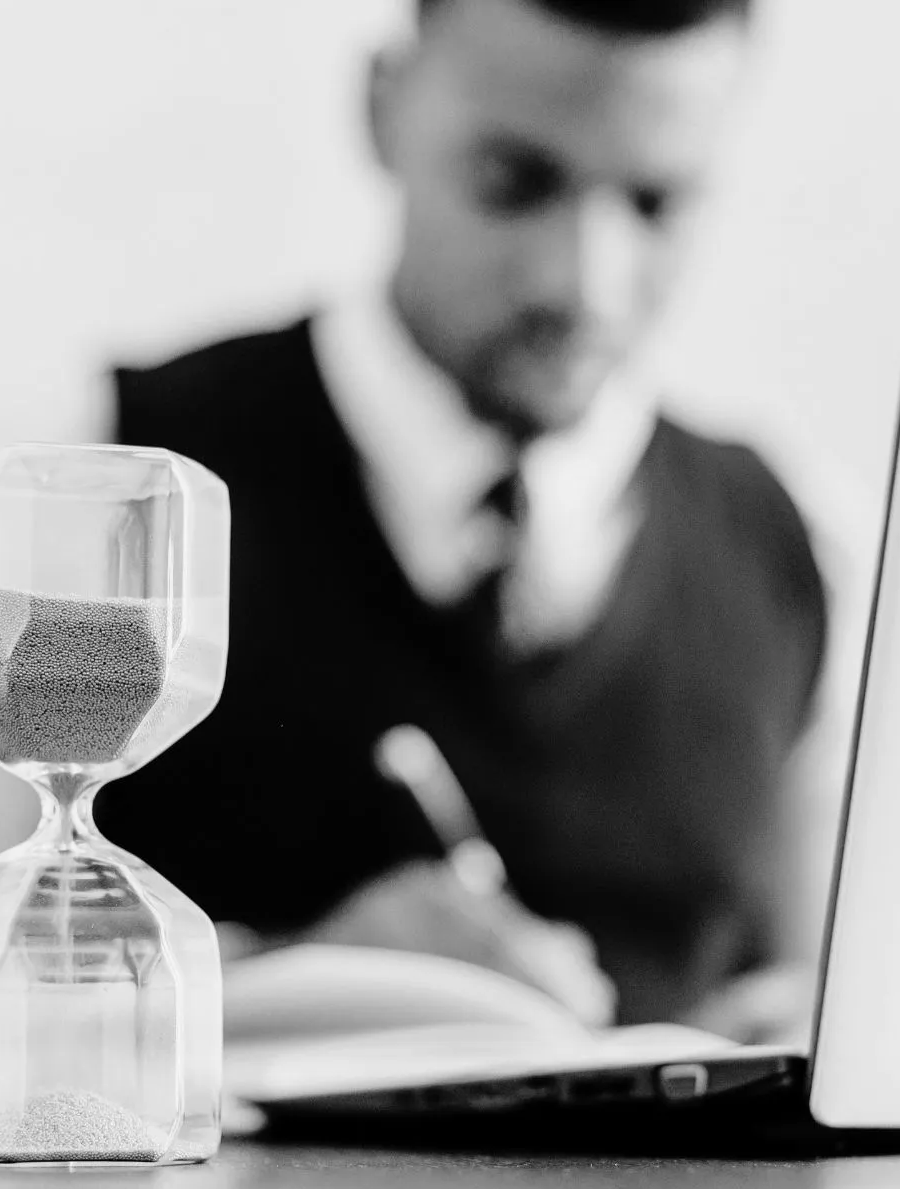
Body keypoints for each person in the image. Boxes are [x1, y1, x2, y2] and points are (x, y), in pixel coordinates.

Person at [100, 0, 832, 1033]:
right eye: (511, 181)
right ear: (382, 108)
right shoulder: (108, 483)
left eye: (656, 203)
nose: (580, 282)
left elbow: (825, 1010)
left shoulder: (798, 539)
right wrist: (282, 982)